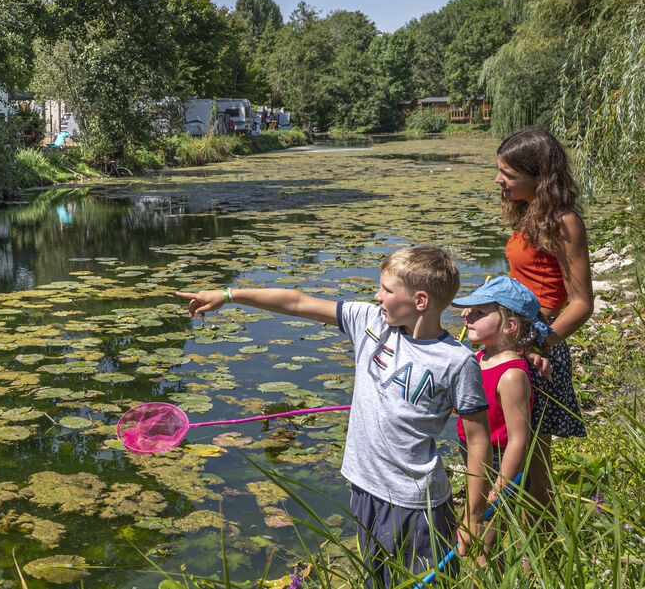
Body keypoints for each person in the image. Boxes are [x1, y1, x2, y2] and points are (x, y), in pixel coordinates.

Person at [177, 246, 492, 588]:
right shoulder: (369, 322)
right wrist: (229, 294)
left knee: (424, 582)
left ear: (420, 301)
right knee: (375, 579)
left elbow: (477, 438)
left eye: (386, 289)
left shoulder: (456, 361)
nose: (377, 295)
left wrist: (473, 517)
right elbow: (296, 302)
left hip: (415, 504)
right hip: (364, 488)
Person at [495, 127, 592, 524]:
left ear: (539, 177)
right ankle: (519, 530)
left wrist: (540, 343)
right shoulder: (528, 213)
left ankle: (541, 543)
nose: (499, 180)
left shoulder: (564, 221)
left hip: (538, 345)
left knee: (535, 451)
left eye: (508, 174)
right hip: (513, 338)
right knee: (513, 443)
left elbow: (582, 303)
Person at [452, 276, 548, 565]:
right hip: (472, 453)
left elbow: (520, 438)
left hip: (500, 463)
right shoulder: (479, 358)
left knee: (483, 541)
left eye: (479, 312)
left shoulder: (512, 375)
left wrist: (499, 488)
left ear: (510, 325)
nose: (466, 316)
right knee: (475, 532)